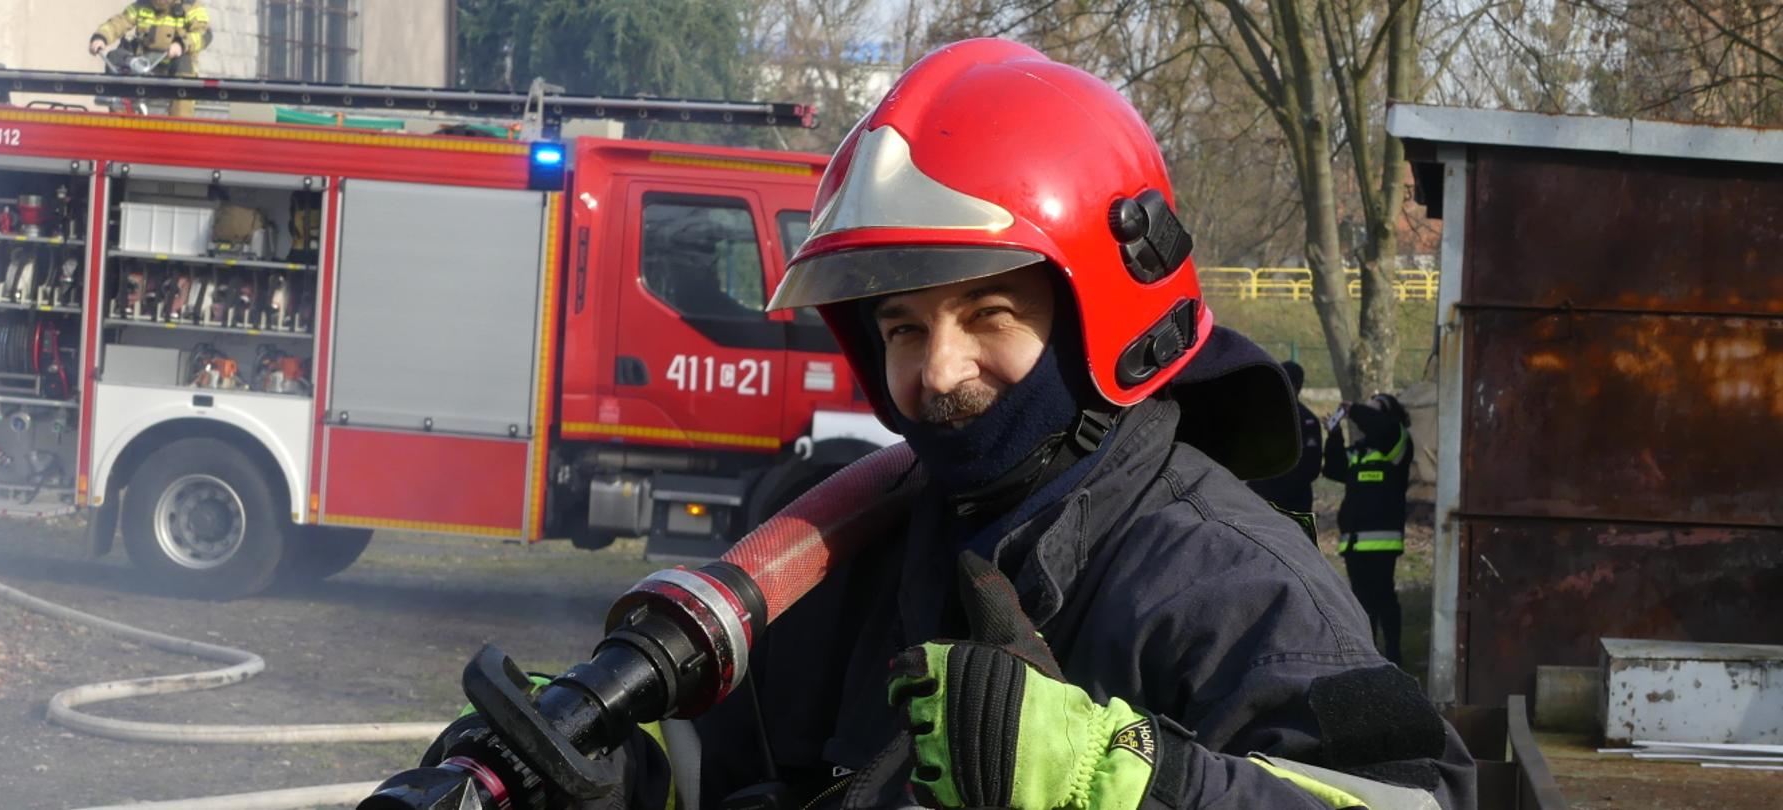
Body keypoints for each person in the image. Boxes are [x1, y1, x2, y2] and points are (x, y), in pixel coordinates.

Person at [416, 39, 1474, 810]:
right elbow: (730, 770)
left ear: (1100, 315)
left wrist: (1118, 785)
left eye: (989, 315)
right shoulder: (844, 549)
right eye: (904, 326)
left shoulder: (1231, 579)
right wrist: (606, 774)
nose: (938, 372)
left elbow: (1422, 802)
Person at [1321, 392, 1415, 666]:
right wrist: (1335, 435)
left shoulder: (1397, 444)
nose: (1368, 413)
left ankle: (1394, 652)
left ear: (1390, 416)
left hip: (1382, 541)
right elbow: (1335, 468)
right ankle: (1369, 656)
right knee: (1361, 602)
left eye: (1376, 409)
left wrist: (1356, 410)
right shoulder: (1360, 451)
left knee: (1384, 596)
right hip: (1354, 541)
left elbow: (1383, 429)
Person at [88, 0, 212, 117]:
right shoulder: (142, 5)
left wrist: (181, 44)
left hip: (173, 70)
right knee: (114, 58)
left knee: (185, 63)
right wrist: (101, 37)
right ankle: (121, 118)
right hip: (145, 67)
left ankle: (179, 125)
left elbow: (204, 34)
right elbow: (119, 22)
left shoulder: (191, 6)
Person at [1247, 360, 1323, 525]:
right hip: (1262, 498)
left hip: (1291, 501)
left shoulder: (1305, 420)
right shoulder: (1260, 414)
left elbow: (1310, 466)